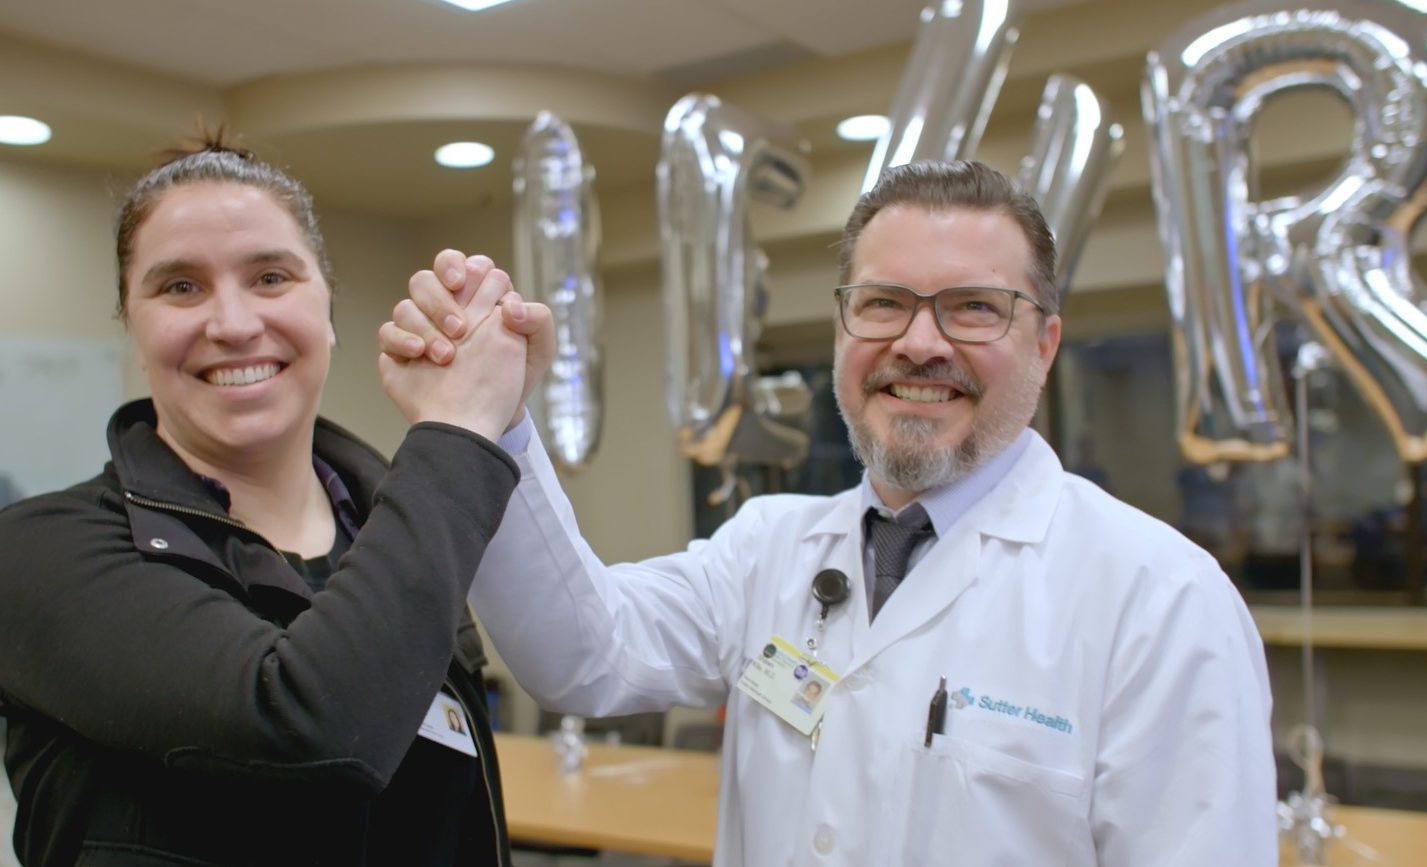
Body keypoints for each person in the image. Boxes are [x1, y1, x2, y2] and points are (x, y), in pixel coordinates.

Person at [381, 160, 1276, 865]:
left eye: (972, 308)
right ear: (844, 331)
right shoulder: (770, 548)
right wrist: (485, 422)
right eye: (883, 303)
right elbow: (583, 658)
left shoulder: (1160, 600)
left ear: (1043, 343)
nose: (919, 343)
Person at [0, 133, 543, 867]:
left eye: (271, 277)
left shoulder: (392, 528)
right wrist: (456, 429)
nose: (232, 323)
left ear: (327, 305)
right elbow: (311, 728)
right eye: (180, 287)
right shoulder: (39, 553)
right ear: (133, 323)